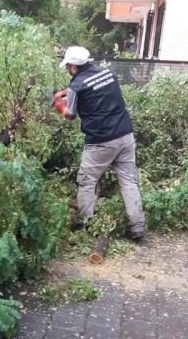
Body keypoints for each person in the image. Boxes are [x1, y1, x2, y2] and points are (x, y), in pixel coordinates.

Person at [53, 46, 147, 241]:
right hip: (125, 135)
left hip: (101, 141)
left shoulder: (76, 86)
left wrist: (58, 104)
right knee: (129, 182)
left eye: (68, 66)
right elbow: (95, 89)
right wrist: (67, 91)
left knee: (87, 181)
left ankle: (84, 224)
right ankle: (137, 228)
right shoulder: (107, 73)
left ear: (73, 67)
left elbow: (70, 115)